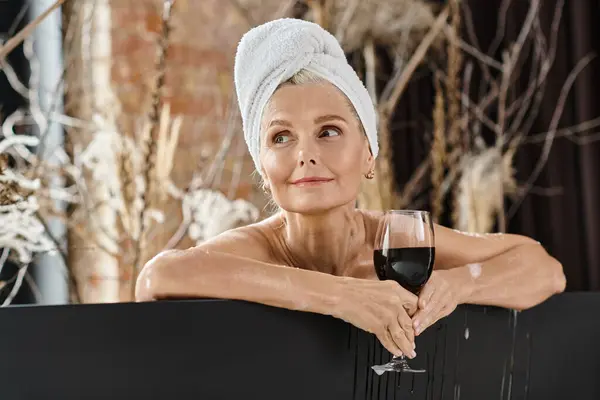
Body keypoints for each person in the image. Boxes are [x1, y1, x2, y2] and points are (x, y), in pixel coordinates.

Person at [135, 18, 565, 359]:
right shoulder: (257, 248)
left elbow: (544, 270)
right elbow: (159, 277)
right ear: (263, 168)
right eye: (281, 137)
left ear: (369, 154)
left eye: (329, 131)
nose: (305, 154)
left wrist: (460, 284)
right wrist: (339, 297)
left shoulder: (395, 240)